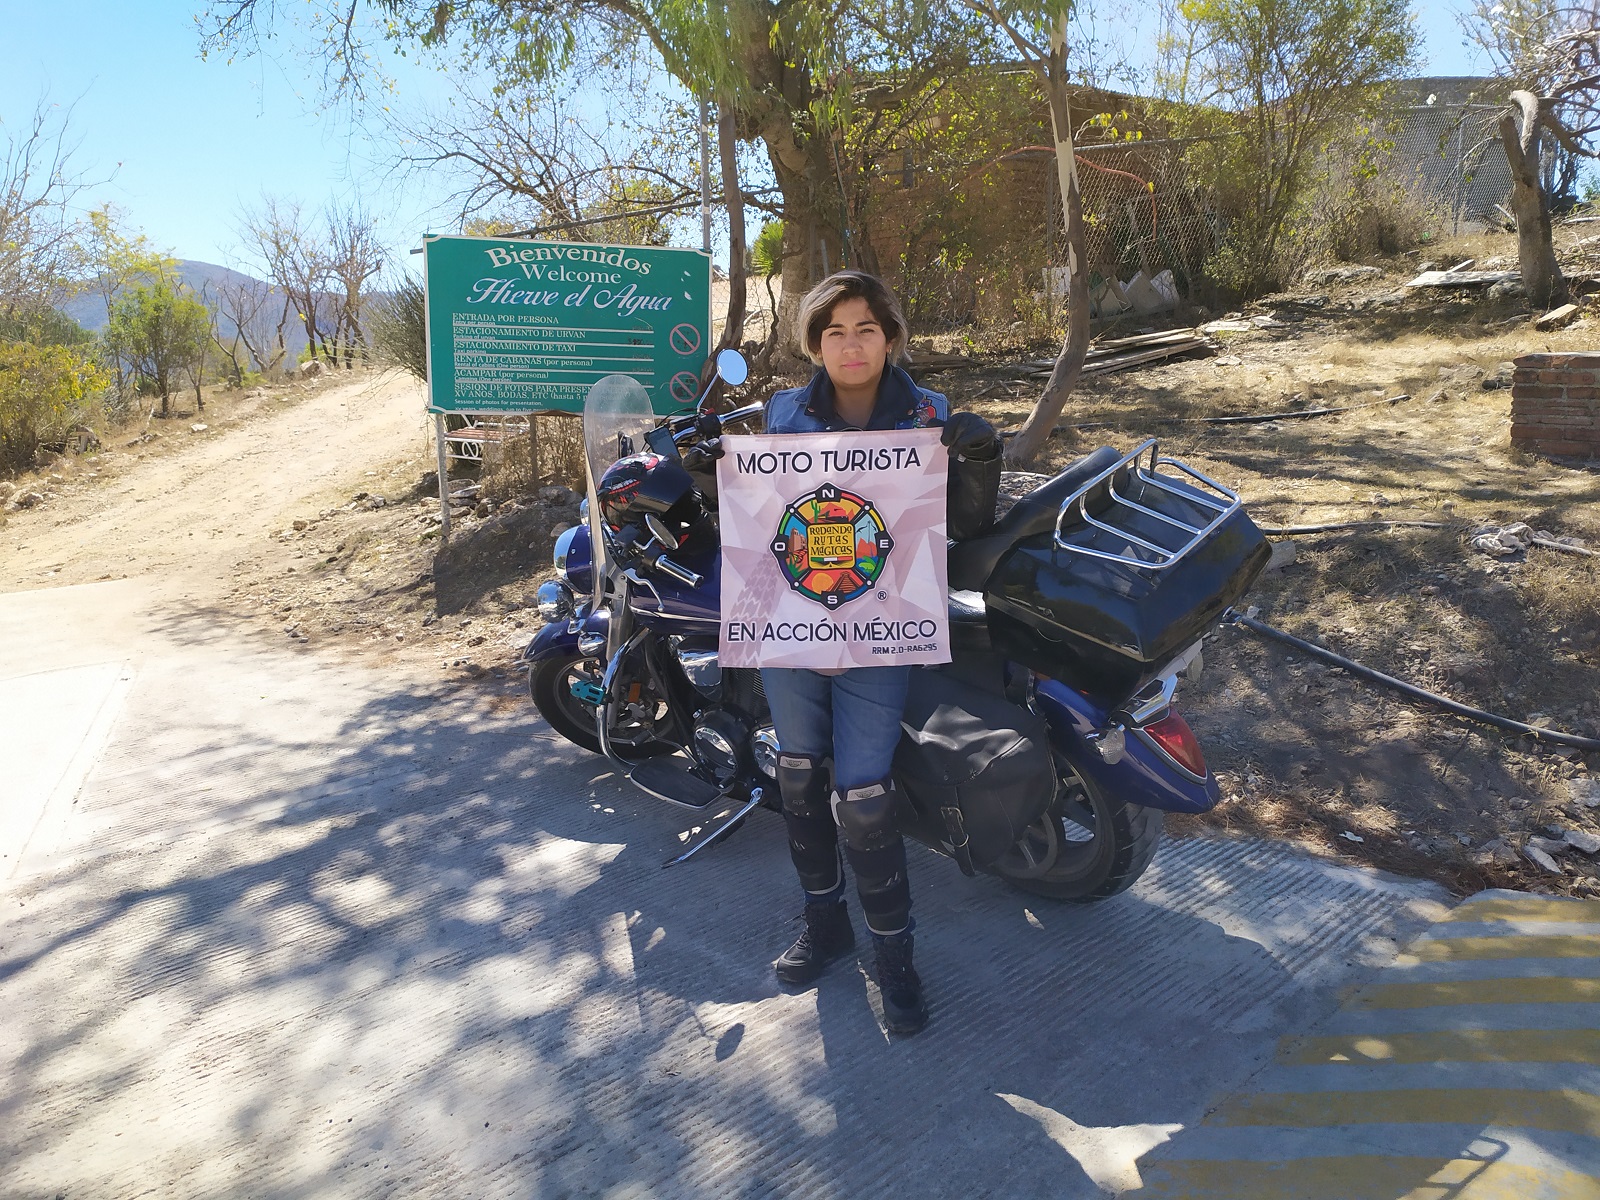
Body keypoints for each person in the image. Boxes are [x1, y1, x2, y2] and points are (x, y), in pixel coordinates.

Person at [760, 270, 1001, 1036]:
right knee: (798, 773)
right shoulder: (782, 413)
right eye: (833, 331)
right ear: (814, 342)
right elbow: (772, 522)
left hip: (885, 624)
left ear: (891, 336)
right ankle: (825, 923)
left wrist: (981, 459)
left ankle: (894, 956)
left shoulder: (929, 413)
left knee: (863, 795)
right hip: (796, 622)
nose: (851, 344)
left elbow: (960, 529)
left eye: (866, 328)